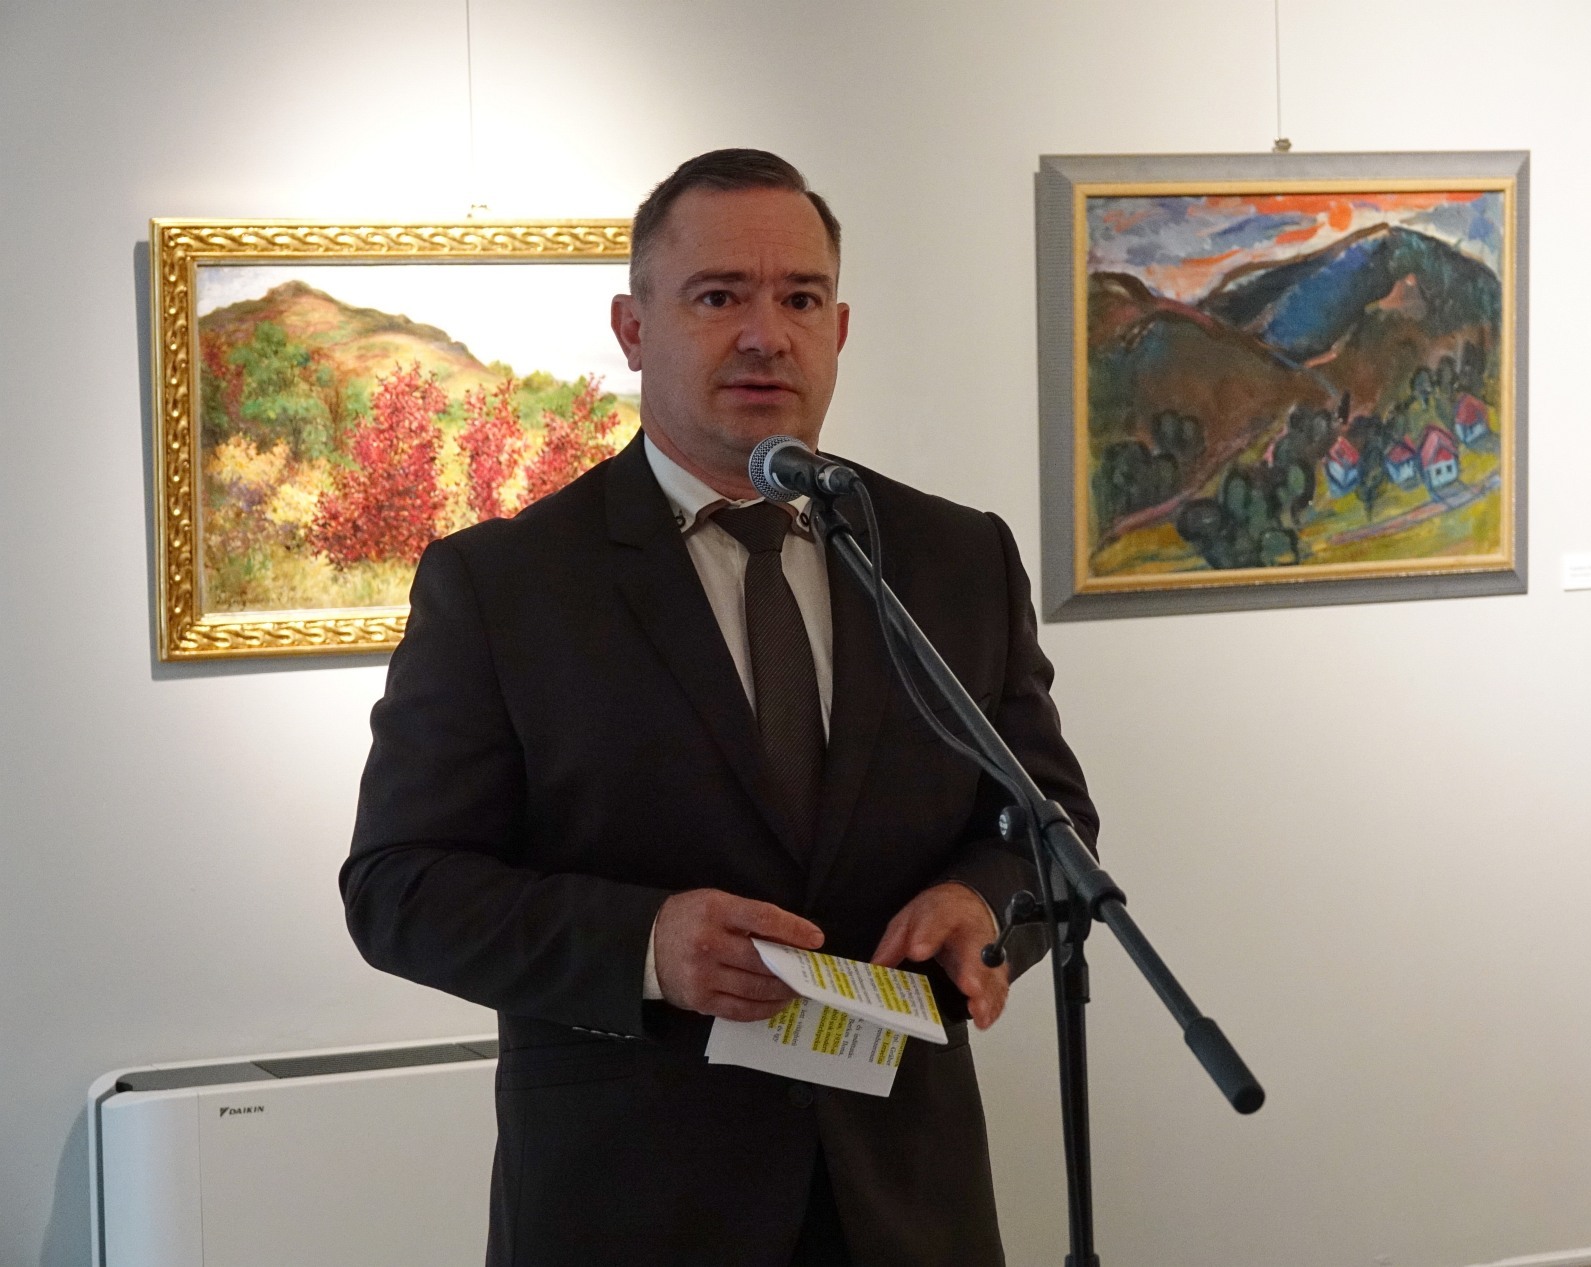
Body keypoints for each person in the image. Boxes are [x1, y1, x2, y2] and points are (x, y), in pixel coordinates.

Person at [339, 148, 1096, 1267]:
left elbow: (1050, 829)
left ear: (839, 330)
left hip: (904, 1205)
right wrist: (647, 944)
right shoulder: (505, 585)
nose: (764, 335)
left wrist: (983, 902)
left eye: (800, 299)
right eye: (718, 296)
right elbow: (399, 887)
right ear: (632, 328)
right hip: (631, 1207)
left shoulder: (953, 557)